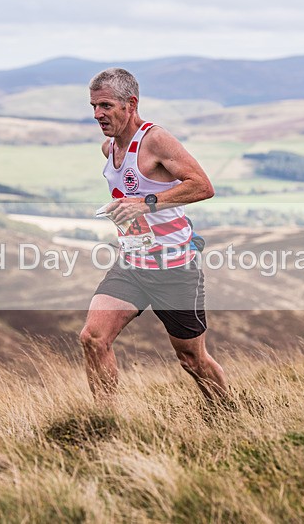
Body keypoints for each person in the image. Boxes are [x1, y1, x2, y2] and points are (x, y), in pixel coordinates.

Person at [80, 67, 227, 403]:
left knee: (191, 360)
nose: (97, 114)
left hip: (174, 268)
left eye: (105, 106)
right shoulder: (109, 149)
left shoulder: (156, 140)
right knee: (93, 338)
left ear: (130, 104)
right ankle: (105, 422)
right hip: (131, 264)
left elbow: (203, 186)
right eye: (93, 107)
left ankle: (228, 414)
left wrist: (147, 204)